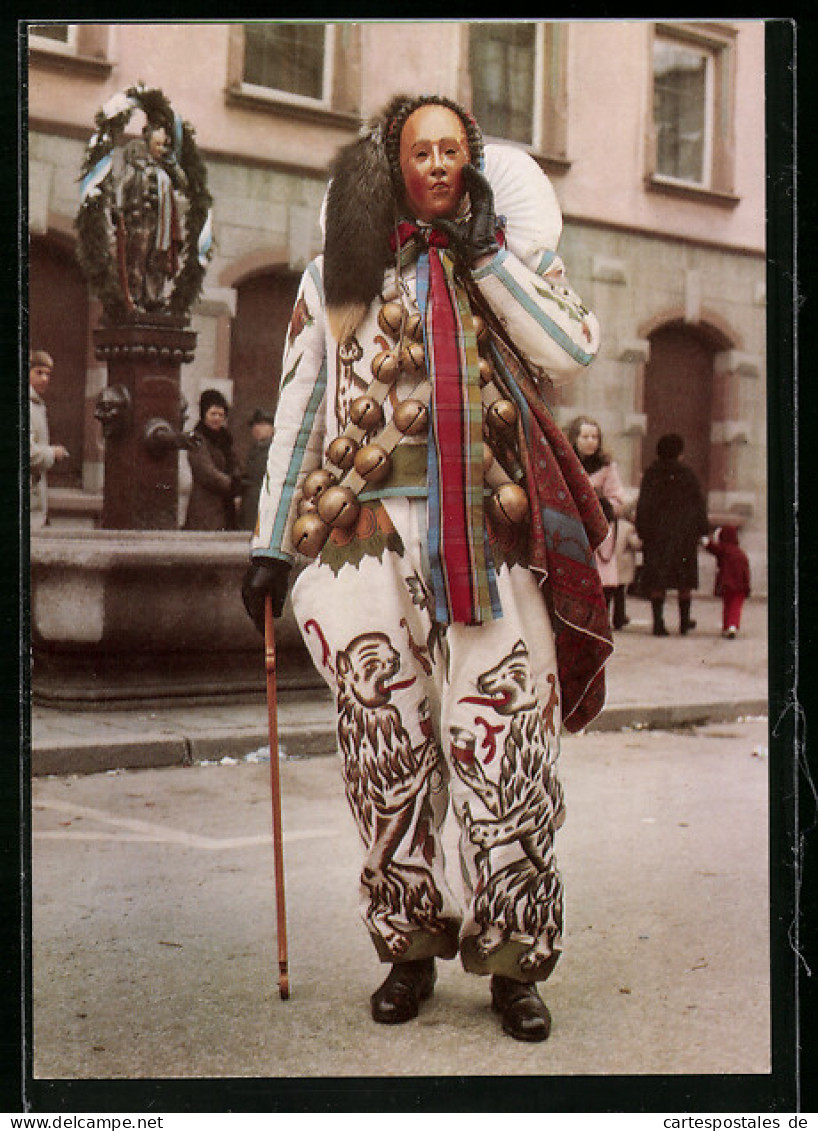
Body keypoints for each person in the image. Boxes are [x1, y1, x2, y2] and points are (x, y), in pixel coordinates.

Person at [241, 93, 612, 1042]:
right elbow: (297, 408)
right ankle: (407, 945)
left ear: (474, 164)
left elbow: (572, 345)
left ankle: (515, 957)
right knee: (385, 751)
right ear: (390, 165)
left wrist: (487, 254)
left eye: (454, 150)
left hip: (490, 538)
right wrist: (271, 546)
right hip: (359, 535)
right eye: (421, 151)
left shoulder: (513, 259)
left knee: (504, 747)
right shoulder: (335, 278)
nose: (438, 165)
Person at [635, 433, 709, 636]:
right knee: (684, 582)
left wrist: (642, 531)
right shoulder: (688, 475)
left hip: (657, 536)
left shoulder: (651, 474)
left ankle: (658, 623)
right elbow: (698, 505)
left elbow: (644, 505)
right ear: (679, 452)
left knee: (657, 581)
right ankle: (684, 622)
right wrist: (702, 530)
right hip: (684, 536)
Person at [116, 121, 187, 312]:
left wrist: (172, 162)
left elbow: (183, 183)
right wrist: (119, 209)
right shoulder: (136, 167)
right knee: (137, 258)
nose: (161, 149)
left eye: (164, 145)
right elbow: (122, 187)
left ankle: (153, 296)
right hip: (139, 222)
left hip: (159, 225)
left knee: (157, 260)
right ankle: (135, 297)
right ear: (148, 143)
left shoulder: (164, 171)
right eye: (158, 145)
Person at [566, 416, 625, 626]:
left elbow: (617, 499)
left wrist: (600, 504)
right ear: (575, 438)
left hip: (599, 534)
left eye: (595, 437)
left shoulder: (606, 467)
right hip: (572, 531)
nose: (591, 441)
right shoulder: (565, 463)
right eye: (585, 436)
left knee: (603, 583)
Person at [182, 389, 241, 531]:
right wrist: (232, 485)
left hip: (226, 506)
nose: (217, 418)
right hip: (206, 506)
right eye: (213, 414)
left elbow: (234, 463)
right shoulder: (197, 439)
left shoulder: (225, 439)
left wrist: (239, 478)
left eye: (221, 415)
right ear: (204, 414)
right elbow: (206, 472)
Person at [29, 350, 69, 530]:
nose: (44, 379)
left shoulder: (36, 404)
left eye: (47, 374)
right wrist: (53, 453)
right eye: (39, 372)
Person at [704, 524, 751, 638]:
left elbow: (714, 549)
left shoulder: (724, 549)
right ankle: (732, 625)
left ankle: (726, 626)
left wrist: (706, 543)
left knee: (727, 605)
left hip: (727, 584)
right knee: (736, 607)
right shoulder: (741, 553)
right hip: (740, 586)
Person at [238, 408, 276, 531]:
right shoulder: (255, 449)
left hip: (264, 500)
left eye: (263, 425)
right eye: (256, 425)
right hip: (251, 501)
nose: (258, 429)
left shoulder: (274, 450)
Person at [611, 494, 641, 630]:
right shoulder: (628, 527)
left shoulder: (608, 525)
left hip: (609, 565)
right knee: (619, 595)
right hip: (622, 565)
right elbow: (635, 544)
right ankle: (619, 617)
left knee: (607, 594)